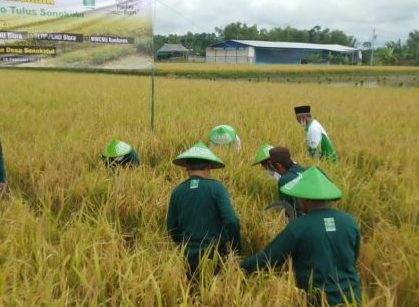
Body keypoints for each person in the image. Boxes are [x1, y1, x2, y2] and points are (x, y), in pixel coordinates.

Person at [240, 167, 361, 306]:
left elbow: (269, 258)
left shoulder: (299, 227)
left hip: (317, 301)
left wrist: (241, 266)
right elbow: (353, 257)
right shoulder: (349, 222)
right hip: (352, 299)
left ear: (304, 199)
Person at [167, 141, 241, 277]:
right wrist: (234, 247)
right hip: (215, 256)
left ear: (187, 168)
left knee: (189, 294)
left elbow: (171, 228)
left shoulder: (177, 191)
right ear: (208, 167)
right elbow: (232, 221)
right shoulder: (217, 188)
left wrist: (185, 244)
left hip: (187, 257)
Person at [267, 147, 305, 217]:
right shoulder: (306, 170)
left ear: (278, 166)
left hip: (301, 220)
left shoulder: (284, 180)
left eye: (273, 167)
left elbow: (286, 209)